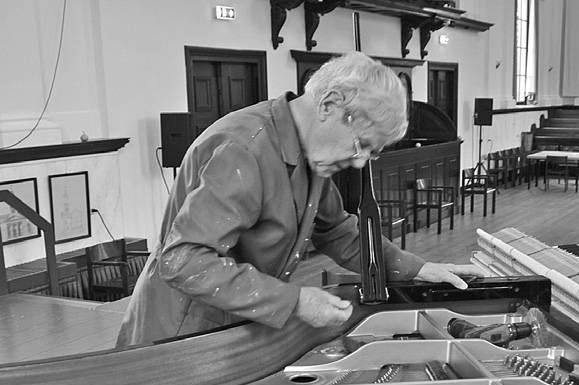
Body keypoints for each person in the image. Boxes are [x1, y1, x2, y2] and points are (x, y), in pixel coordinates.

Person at [116, 51, 483, 348]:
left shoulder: (311, 154)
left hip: (233, 326)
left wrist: (416, 268)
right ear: (329, 104)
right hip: (179, 339)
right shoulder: (243, 150)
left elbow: (338, 231)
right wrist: (294, 301)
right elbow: (183, 260)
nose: (358, 162)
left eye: (371, 153)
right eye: (362, 144)